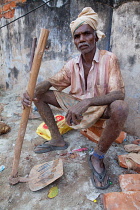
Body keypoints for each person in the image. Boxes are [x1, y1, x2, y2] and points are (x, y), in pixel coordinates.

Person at [22, 7, 128, 189]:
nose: (82, 40)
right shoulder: (72, 64)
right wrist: (28, 92)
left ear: (95, 36)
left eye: (86, 34)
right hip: (75, 106)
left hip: (100, 108)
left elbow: (118, 94)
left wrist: (87, 102)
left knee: (120, 107)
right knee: (39, 94)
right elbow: (50, 82)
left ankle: (98, 156)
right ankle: (57, 139)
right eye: (77, 36)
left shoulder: (109, 59)